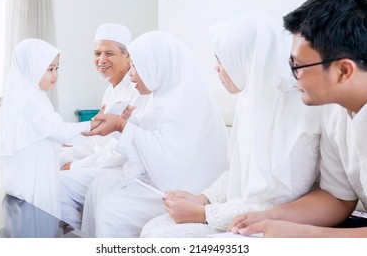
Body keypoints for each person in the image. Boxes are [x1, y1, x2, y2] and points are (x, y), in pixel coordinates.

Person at [140, 13, 322, 238]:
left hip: (274, 223)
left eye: (222, 59)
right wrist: (203, 198)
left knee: (162, 237)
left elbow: (279, 202)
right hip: (237, 211)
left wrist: (204, 213)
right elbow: (237, 170)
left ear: (247, 59)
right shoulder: (250, 103)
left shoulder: (301, 113)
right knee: (154, 227)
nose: (216, 68)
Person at [229, 0, 367, 238]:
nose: (293, 78)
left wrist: (306, 236)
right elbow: (337, 197)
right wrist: (269, 216)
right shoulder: (336, 112)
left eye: (298, 65)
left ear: (343, 70)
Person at [80, 31, 230, 237]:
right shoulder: (159, 97)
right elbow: (150, 140)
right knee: (99, 186)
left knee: (111, 210)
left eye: (135, 66)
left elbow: (170, 158)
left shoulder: (187, 101)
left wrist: (123, 126)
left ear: (156, 66)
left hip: (187, 188)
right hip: (161, 178)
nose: (131, 73)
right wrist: (126, 124)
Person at [59, 23, 151, 230]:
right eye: (97, 53)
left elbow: (120, 152)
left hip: (117, 169)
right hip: (101, 162)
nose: (101, 60)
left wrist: (75, 166)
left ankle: (77, 240)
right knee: (50, 161)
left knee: (56, 184)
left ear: (128, 56)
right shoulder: (110, 90)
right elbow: (97, 143)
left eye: (109, 53)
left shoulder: (138, 90)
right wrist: (68, 154)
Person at [0, 39, 100, 218]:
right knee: (36, 217)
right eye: (50, 69)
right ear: (32, 69)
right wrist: (91, 124)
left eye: (57, 68)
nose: (55, 74)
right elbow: (58, 131)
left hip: (39, 169)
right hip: (31, 178)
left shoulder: (36, 96)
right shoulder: (29, 103)